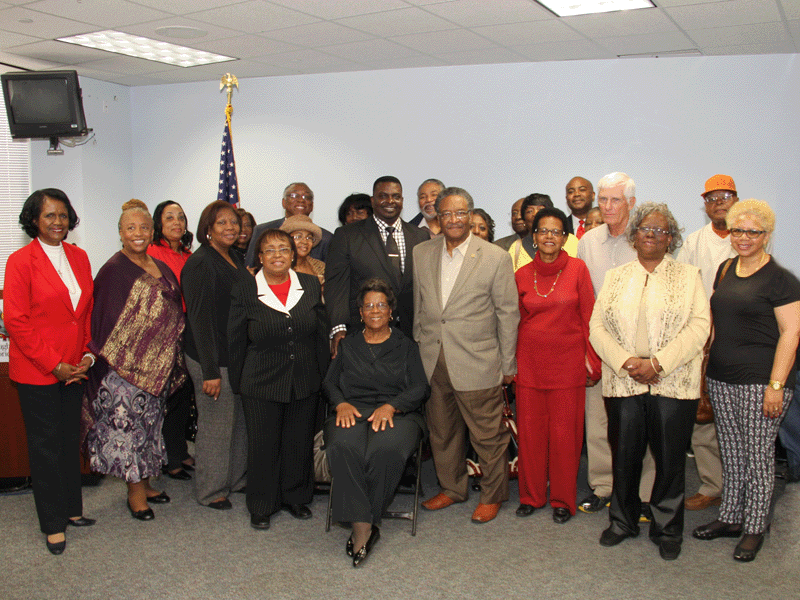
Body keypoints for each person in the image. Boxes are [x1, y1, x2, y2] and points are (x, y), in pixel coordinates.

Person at [590, 202, 710, 560]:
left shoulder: (689, 276)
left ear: (670, 239)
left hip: (672, 381)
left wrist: (658, 364)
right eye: (645, 229)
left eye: (660, 231)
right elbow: (596, 327)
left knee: (670, 460)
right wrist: (626, 361)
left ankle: (667, 528)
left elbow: (699, 327)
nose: (651, 235)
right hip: (623, 380)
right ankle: (622, 522)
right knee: (624, 455)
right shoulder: (616, 276)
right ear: (634, 235)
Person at [694, 199, 800, 562]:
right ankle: (730, 518)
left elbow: (791, 333)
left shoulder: (781, 280)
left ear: (766, 236)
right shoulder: (724, 269)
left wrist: (776, 386)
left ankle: (755, 527)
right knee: (733, 452)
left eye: (753, 232)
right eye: (738, 230)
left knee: (758, 458)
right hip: (722, 378)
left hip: (761, 382)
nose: (743, 237)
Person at [414, 187, 519, 524]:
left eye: (461, 213)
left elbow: (507, 314)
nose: (454, 220)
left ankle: (493, 495)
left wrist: (507, 364)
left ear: (471, 216)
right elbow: (420, 307)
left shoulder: (495, 257)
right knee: (442, 432)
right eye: (447, 213)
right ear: (437, 217)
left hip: (477, 361)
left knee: (487, 435)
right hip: (432, 359)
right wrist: (419, 345)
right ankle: (453, 488)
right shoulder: (421, 252)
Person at [4, 188, 96, 555]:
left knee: (68, 442)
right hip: (38, 372)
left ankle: (72, 509)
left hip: (75, 368)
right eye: (49, 216)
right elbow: (16, 321)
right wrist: (54, 365)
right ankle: (52, 523)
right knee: (45, 449)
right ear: (33, 220)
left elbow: (86, 312)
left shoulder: (80, 256)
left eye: (62, 215)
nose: (57, 222)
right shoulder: (20, 261)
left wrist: (87, 355)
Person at [86, 200, 187, 522]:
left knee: (150, 428)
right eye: (131, 228)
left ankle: (146, 481)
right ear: (120, 233)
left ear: (152, 230)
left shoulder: (161, 265)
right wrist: (130, 359)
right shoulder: (113, 270)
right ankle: (134, 493)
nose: (138, 233)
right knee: (128, 431)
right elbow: (104, 321)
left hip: (157, 368)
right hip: (124, 371)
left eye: (144, 227)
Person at [228, 228, 328, 530]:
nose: (277, 255)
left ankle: (295, 497)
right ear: (259, 257)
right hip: (260, 381)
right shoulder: (245, 289)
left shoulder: (310, 284)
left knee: (298, 442)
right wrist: (238, 383)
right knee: (263, 445)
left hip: (304, 379)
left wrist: (323, 378)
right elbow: (235, 341)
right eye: (269, 250)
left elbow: (320, 335)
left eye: (283, 249)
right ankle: (262, 504)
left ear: (293, 254)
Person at [324, 278, 428, 567]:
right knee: (343, 447)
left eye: (381, 305)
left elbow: (420, 387)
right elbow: (329, 384)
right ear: (360, 313)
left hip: (398, 413)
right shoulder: (348, 345)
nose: (374, 310)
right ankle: (364, 524)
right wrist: (341, 403)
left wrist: (392, 406)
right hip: (352, 411)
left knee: (386, 451)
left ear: (391, 310)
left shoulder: (406, 346)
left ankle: (362, 524)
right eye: (368, 305)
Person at [577, 172, 656, 517]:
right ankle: (604, 486)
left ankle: (644, 493)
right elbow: (583, 298)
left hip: (640, 348)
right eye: (603, 199)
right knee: (597, 422)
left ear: (632, 203)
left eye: (615, 200)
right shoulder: (588, 241)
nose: (607, 207)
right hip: (599, 344)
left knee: (643, 424)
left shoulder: (646, 239)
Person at [515, 207, 600, 523]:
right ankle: (531, 496)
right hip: (530, 365)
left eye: (556, 231)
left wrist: (593, 362)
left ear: (565, 237)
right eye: (543, 231)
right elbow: (516, 322)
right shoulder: (521, 275)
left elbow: (589, 318)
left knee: (566, 436)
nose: (549, 236)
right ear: (533, 237)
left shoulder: (578, 270)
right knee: (531, 434)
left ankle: (563, 500)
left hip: (567, 366)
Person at [675, 174, 740, 511]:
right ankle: (712, 485)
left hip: (740, 337)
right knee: (704, 412)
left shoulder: (748, 235)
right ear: (705, 205)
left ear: (736, 199)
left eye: (725, 196)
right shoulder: (695, 241)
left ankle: (742, 486)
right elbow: (684, 285)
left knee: (738, 414)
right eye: (712, 198)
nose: (718, 203)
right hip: (703, 335)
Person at [182, 200, 248, 510]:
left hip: (233, 354)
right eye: (222, 223)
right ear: (207, 229)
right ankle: (210, 490)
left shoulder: (234, 256)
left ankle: (234, 480)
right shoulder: (200, 263)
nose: (230, 228)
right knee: (216, 423)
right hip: (210, 356)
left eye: (234, 222)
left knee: (237, 422)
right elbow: (199, 320)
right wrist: (209, 371)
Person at [325, 176, 429, 356]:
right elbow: (336, 286)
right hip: (362, 332)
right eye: (383, 196)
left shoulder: (419, 236)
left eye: (396, 196)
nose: (390, 201)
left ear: (402, 201)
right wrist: (339, 327)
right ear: (372, 201)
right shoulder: (347, 236)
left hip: (410, 335)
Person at [148, 200, 195, 481]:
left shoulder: (189, 254)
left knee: (184, 394)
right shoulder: (153, 253)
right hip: (165, 331)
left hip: (189, 329)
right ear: (159, 224)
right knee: (170, 397)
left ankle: (178, 449)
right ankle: (169, 458)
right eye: (169, 218)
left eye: (181, 216)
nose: (176, 222)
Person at [245, 182, 333, 267]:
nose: (301, 200)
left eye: (306, 197)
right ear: (284, 202)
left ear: (312, 206)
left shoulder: (326, 238)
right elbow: (250, 268)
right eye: (294, 196)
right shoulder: (262, 230)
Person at [508, 194, 578, 271]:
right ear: (523, 219)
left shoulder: (571, 240)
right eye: (530, 211)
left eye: (540, 209)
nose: (535, 214)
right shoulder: (516, 248)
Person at [279, 215, 325, 287]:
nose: (304, 242)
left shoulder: (321, 267)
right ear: (286, 240)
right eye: (298, 236)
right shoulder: (275, 267)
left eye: (309, 237)